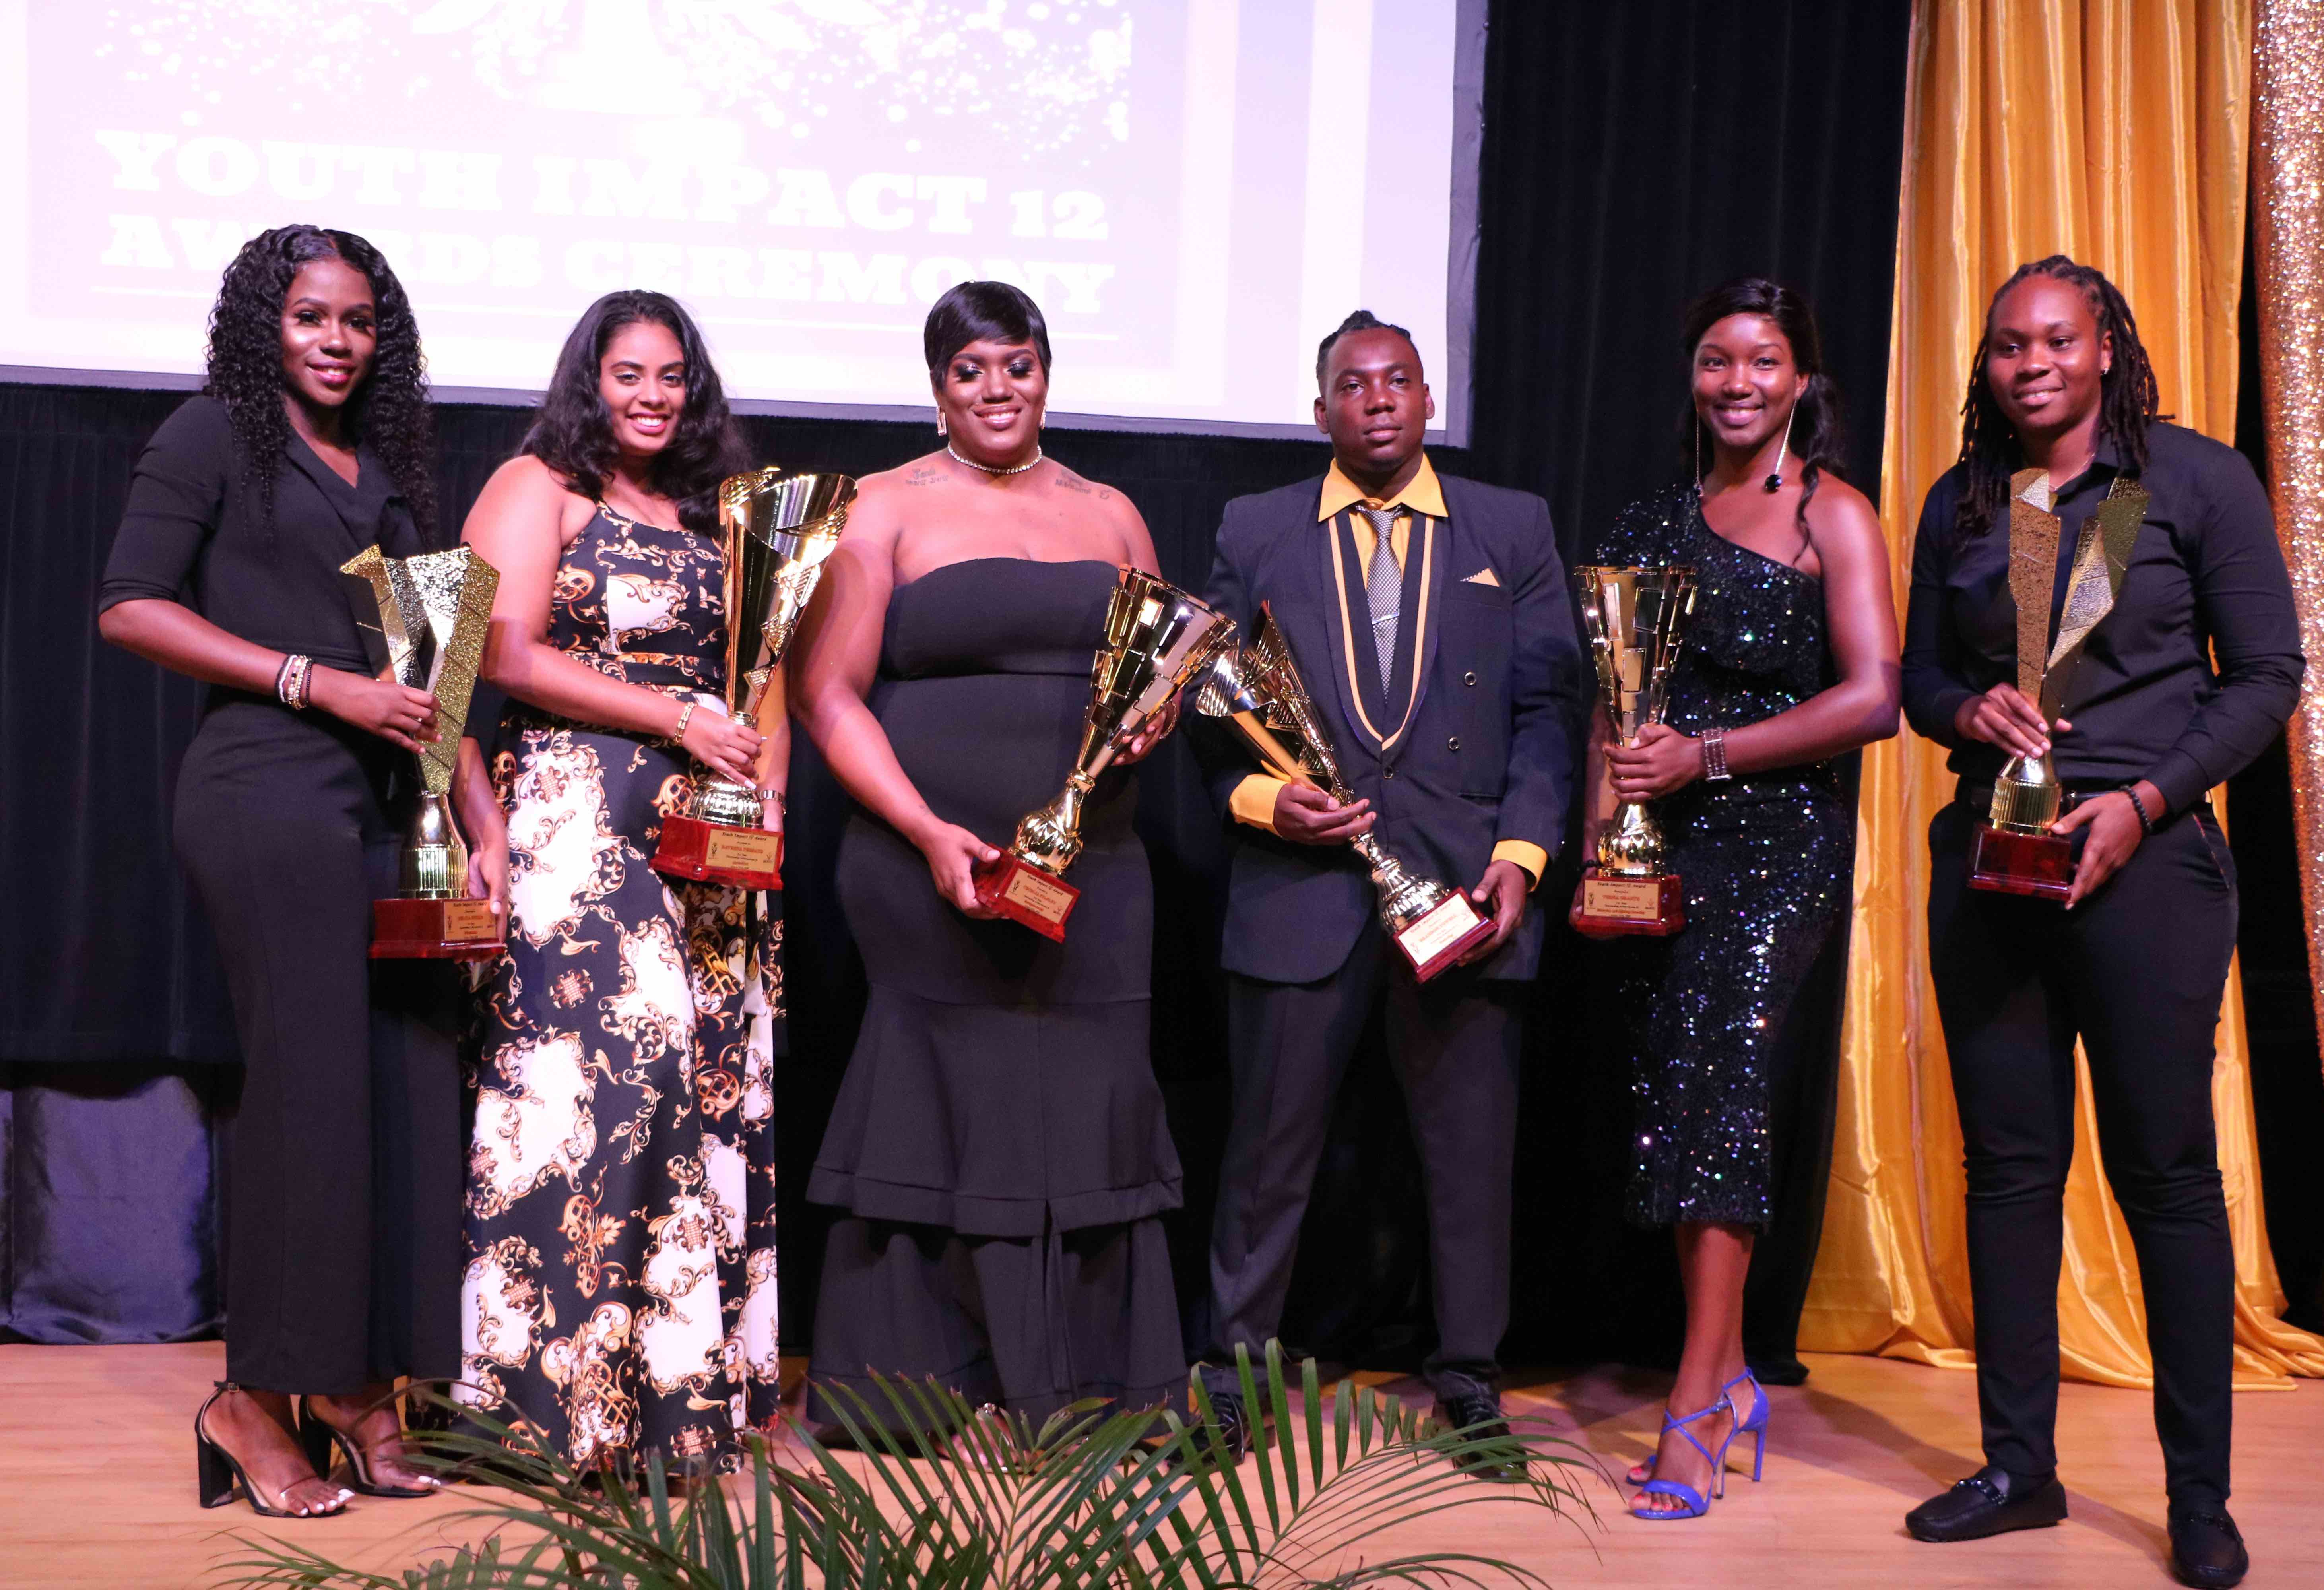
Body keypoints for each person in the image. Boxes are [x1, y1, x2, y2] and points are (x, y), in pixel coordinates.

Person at [1899, 257, 2300, 1590]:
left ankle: (2200, 1499)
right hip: (1992, 865)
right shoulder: (1971, 499)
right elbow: (1919, 675)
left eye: (2059, 341)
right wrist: (1969, 714)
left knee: (2168, 1178)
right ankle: (2021, 1469)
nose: (2033, 365)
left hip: (2148, 864)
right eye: (2010, 345)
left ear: (2110, 346)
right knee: (2009, 1174)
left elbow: (2267, 678)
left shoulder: (2194, 481)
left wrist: (2143, 801)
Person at [97, 225, 504, 1516]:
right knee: (312, 1095)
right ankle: (251, 1400)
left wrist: (480, 813)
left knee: (404, 1089)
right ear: (263, 322)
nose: (337, 342)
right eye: (312, 317)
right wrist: (310, 678)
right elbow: (128, 603)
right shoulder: (212, 434)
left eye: (360, 322)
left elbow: (442, 665)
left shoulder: (389, 465)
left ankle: (361, 1388)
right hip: (265, 793)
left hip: (394, 808)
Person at [790, 281, 1187, 1429]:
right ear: (937, 388)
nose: (997, 389)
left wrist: (1155, 720)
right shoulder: (882, 508)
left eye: (1016, 364)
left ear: (1048, 371)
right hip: (925, 867)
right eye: (971, 371)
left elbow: (1155, 676)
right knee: (942, 1095)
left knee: (1092, 1093)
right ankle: (921, 1388)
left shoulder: (1112, 512)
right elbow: (827, 696)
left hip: (1096, 865)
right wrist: (923, 830)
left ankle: (1091, 1384)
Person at [1189, 310, 1577, 1472]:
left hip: (1465, 895)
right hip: (1299, 894)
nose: (1378, 400)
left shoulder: (1512, 526)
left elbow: (1552, 711)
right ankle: (1233, 1375)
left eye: (1398, 380)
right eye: (1353, 386)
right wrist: (1267, 805)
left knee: (1468, 1157)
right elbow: (1209, 712)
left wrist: (1523, 859)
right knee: (1265, 1158)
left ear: (1427, 398)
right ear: (1322, 412)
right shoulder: (1254, 529)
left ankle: (1468, 1373)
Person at [1581, 280, 1899, 1518]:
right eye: (1716, 361)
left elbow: (1872, 698)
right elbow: (1618, 706)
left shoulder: (1836, 516)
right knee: (1677, 1102)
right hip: (1666, 848)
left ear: (1803, 380)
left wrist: (1708, 757)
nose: (1737, 384)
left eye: (1762, 362)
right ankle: (1719, 1381)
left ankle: (1699, 1407)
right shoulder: (1656, 518)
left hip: (1777, 847)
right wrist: (1604, 841)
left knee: (1721, 1100)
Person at [456, 290, 780, 1477]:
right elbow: (503, 653)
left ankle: (670, 1414)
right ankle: (547, 1414)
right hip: (573, 817)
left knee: (700, 1091)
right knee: (597, 1093)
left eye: (670, 375)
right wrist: (671, 721)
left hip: (701, 836)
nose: (651, 396)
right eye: (627, 374)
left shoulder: (707, 514)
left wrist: (760, 794)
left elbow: (758, 672)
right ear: (587, 381)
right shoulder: (535, 484)